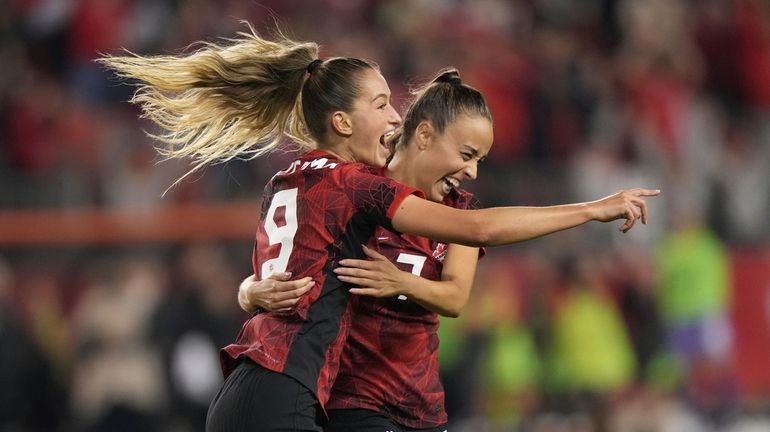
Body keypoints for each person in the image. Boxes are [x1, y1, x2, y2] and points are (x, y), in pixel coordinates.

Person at [99, 23, 658, 431]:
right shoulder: (363, 189)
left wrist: (250, 291)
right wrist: (591, 209)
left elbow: (281, 275)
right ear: (346, 122)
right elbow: (482, 230)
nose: (395, 116)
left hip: (289, 389)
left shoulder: (291, 180)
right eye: (382, 104)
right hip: (325, 401)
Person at [241, 67, 490, 432]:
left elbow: (455, 298)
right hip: (351, 402)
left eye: (479, 160)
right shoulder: (360, 191)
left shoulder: (460, 209)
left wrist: (401, 282)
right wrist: (249, 290)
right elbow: (291, 264)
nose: (472, 172)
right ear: (424, 136)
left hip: (423, 406)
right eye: (467, 154)